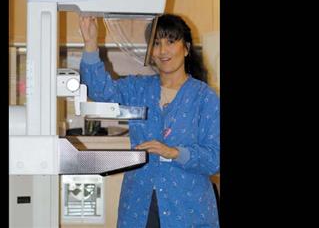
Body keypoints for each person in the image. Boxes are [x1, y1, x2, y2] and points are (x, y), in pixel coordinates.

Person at [79, 14, 220, 228]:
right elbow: (101, 90)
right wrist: (90, 43)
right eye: (156, 43)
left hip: (188, 209)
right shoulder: (138, 89)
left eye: (171, 41)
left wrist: (175, 152)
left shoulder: (205, 97)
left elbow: (215, 158)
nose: (163, 50)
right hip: (139, 205)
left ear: (187, 48)